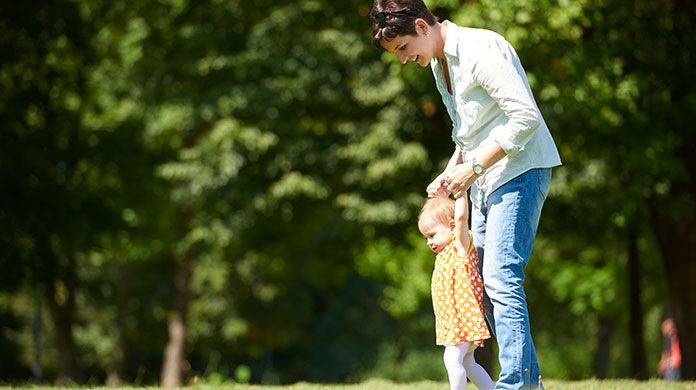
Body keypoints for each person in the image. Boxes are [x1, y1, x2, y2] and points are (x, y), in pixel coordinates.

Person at [370, 1, 562, 388]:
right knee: (488, 288)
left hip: (520, 170)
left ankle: (518, 385)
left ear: (422, 26)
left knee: (501, 280)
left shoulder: (480, 50)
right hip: (488, 180)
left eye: (404, 49)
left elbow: (526, 117)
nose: (405, 60)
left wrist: (473, 169)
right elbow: (467, 133)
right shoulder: (442, 67)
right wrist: (450, 170)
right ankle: (531, 383)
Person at [418, 191, 495, 390]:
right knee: (468, 363)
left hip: (464, 321)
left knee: (452, 359)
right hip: (454, 323)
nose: (429, 242)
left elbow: (461, 218)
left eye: (432, 235)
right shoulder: (443, 254)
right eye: (426, 237)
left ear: (452, 227)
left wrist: (461, 194)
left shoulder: (460, 247)